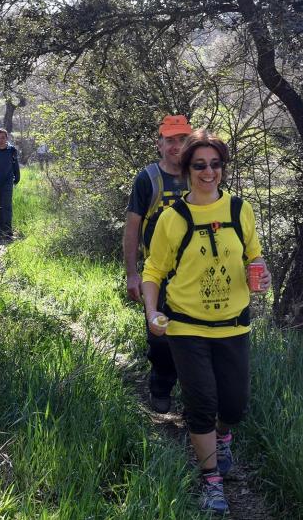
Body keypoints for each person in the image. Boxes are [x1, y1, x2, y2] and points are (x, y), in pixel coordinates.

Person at [141, 130, 271, 515]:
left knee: (234, 405)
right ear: (186, 170)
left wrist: (260, 277)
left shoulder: (238, 210)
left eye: (215, 164)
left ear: (223, 168)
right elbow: (154, 271)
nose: (208, 171)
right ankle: (211, 480)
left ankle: (223, 435)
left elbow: (254, 257)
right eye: (199, 165)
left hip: (233, 325)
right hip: (186, 327)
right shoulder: (172, 218)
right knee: (201, 403)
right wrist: (152, 313)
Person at [123, 114, 193, 413]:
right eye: (170, 140)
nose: (176, 146)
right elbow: (132, 228)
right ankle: (161, 387)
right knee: (161, 336)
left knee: (195, 338)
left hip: (196, 275)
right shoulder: (148, 178)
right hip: (159, 276)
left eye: (182, 139)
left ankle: (195, 398)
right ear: (159, 144)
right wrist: (132, 274)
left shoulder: (202, 172)